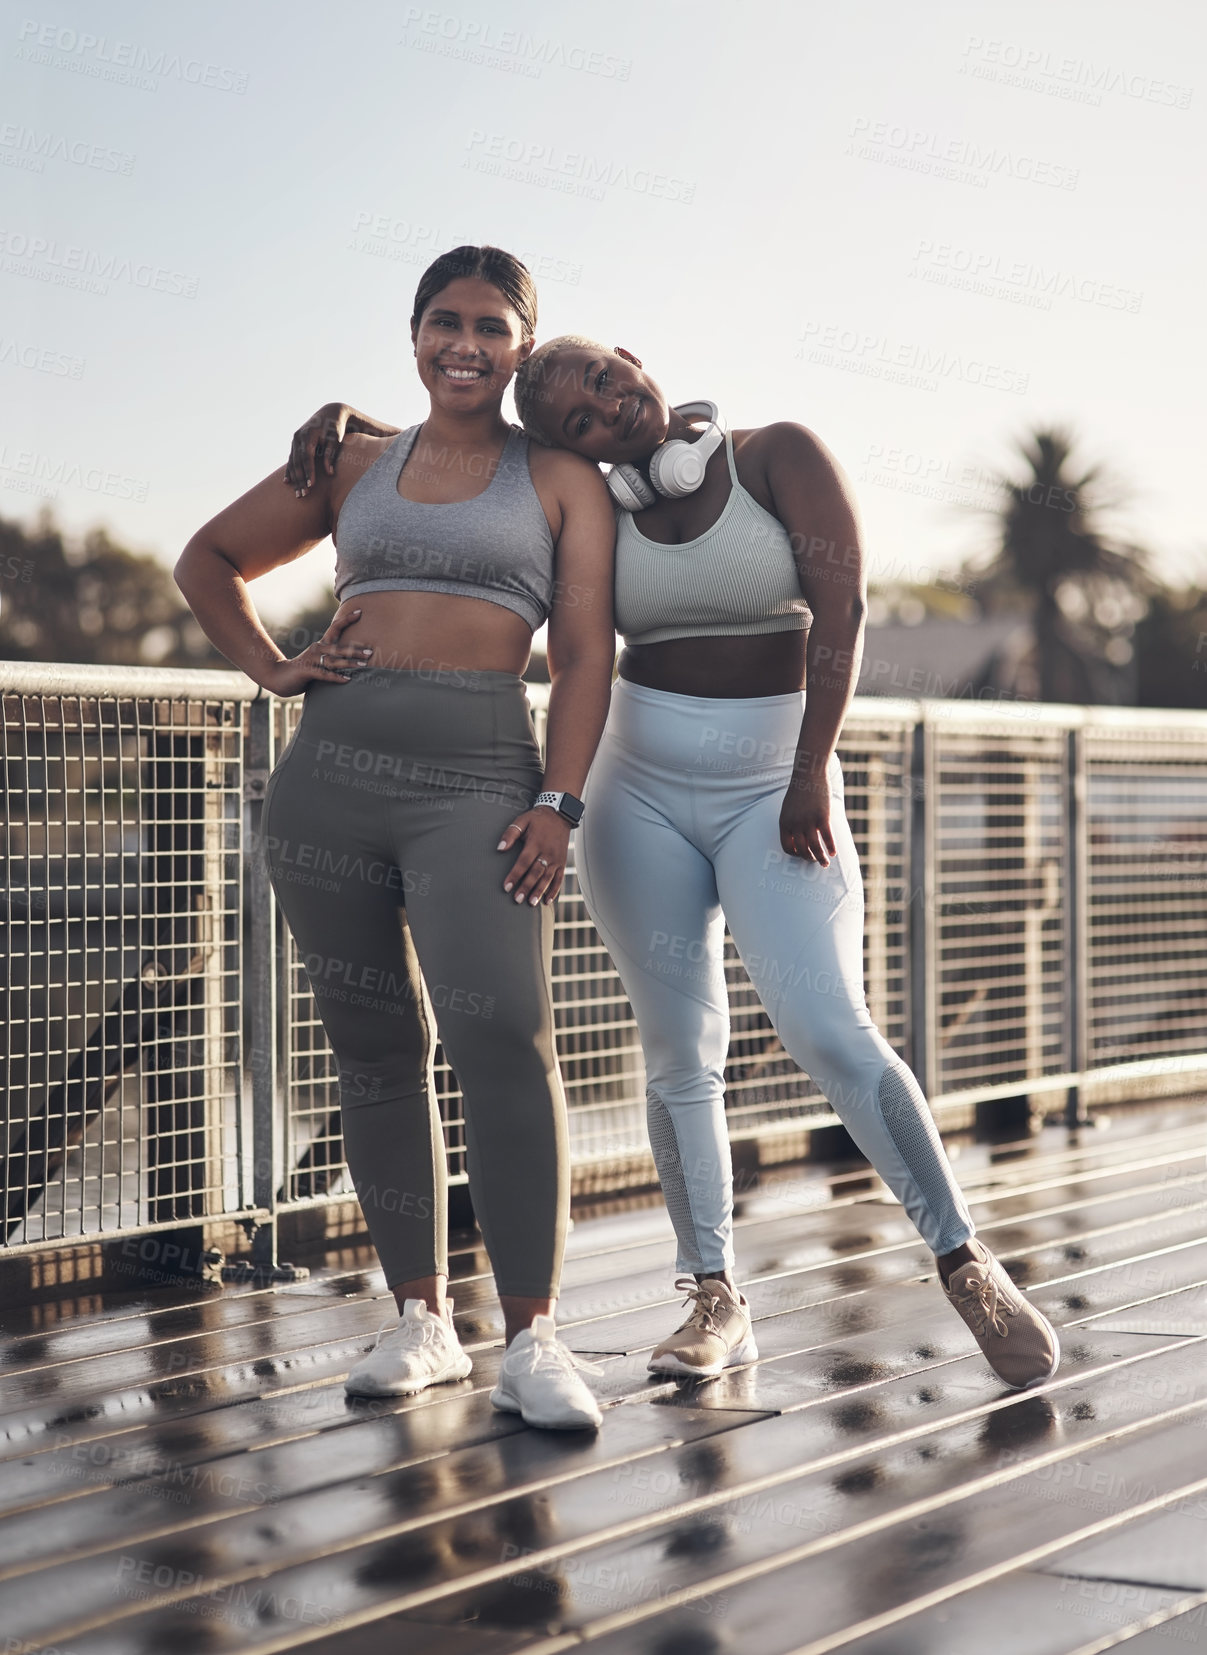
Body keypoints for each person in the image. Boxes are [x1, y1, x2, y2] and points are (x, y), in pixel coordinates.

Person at [286, 336, 1061, 1395]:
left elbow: (842, 615)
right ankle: (713, 1296)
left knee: (829, 1024)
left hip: (774, 781)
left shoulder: (778, 455)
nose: (611, 409)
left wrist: (809, 770)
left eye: (610, 380)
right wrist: (349, 421)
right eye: (583, 420)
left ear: (636, 359)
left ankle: (963, 1257)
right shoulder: (593, 505)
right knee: (677, 1045)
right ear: (566, 445)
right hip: (636, 788)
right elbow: (465, 464)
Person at [175, 251, 617, 1430]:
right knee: (373, 1047)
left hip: (480, 778)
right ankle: (421, 1319)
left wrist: (558, 803)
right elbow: (205, 559)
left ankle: (532, 1336)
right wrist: (273, 667)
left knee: (502, 1041)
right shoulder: (354, 461)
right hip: (329, 779)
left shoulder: (561, 476)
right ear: (413, 333)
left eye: (488, 326)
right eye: (442, 323)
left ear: (523, 344)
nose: (462, 344)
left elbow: (582, 656)